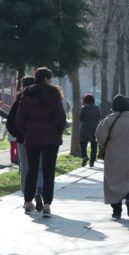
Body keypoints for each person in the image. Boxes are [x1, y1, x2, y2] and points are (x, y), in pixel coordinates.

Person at [15, 67, 67, 217]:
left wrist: (27, 131)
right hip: (51, 137)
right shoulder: (54, 93)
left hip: (32, 137)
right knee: (48, 171)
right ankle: (47, 205)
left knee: (32, 170)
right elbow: (61, 118)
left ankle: (27, 202)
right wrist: (57, 131)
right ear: (46, 78)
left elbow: (19, 119)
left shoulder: (27, 93)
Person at [6, 76, 44, 210]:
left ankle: (26, 197)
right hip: (39, 139)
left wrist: (18, 134)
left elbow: (10, 121)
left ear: (22, 85)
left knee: (25, 167)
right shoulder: (41, 98)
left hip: (23, 139)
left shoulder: (19, 100)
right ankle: (39, 190)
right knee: (39, 166)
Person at [80, 94, 101, 167]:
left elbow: (80, 118)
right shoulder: (97, 108)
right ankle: (92, 161)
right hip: (95, 128)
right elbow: (99, 117)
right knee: (94, 145)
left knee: (83, 143)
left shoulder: (83, 108)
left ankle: (84, 156)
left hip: (85, 127)